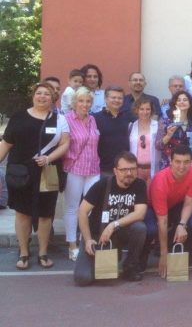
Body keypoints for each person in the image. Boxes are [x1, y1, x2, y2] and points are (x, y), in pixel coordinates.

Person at [0, 83, 70, 270]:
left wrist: (48, 158)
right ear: (33, 96)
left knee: (46, 214)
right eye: (39, 93)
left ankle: (43, 253)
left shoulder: (60, 119)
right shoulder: (18, 118)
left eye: (47, 94)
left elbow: (65, 144)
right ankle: (23, 253)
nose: (42, 96)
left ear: (52, 98)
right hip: (21, 173)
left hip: (49, 171)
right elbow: (6, 144)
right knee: (22, 213)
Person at [74, 152, 148, 285]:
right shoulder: (102, 185)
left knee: (140, 228)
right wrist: (88, 239)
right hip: (96, 235)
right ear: (115, 171)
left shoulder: (139, 185)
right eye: (124, 170)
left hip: (119, 234)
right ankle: (106, 259)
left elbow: (140, 213)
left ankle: (129, 266)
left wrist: (113, 225)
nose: (129, 173)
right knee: (83, 278)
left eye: (132, 169)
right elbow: (82, 211)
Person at [143, 145, 192, 277]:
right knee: (151, 229)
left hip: (176, 204)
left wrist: (182, 225)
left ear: (191, 162)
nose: (182, 166)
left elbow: (189, 203)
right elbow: (162, 221)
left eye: (186, 162)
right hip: (152, 206)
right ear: (171, 161)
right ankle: (144, 256)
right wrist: (163, 255)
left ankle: (180, 252)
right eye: (178, 162)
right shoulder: (160, 181)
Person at [63, 87, 101, 261]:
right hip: (75, 169)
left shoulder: (93, 119)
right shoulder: (67, 119)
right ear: (74, 102)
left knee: (90, 208)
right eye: (81, 101)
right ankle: (72, 245)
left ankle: (85, 240)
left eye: (88, 101)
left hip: (93, 169)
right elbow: (62, 143)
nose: (85, 104)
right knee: (72, 208)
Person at [93, 86, 131, 176]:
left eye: (120, 98)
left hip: (124, 168)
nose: (116, 100)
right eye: (113, 97)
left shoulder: (128, 117)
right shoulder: (95, 118)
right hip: (103, 169)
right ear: (106, 99)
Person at [156, 90, 192, 170]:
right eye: (179, 100)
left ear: (190, 104)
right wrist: (168, 136)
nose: (182, 102)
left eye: (185, 100)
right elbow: (158, 146)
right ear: (175, 103)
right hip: (168, 164)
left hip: (187, 165)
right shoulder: (165, 122)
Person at [128, 96, 160, 189]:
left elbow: (161, 145)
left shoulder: (158, 126)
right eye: (141, 109)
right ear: (136, 110)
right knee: (138, 195)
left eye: (147, 109)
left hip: (152, 169)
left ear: (151, 110)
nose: (145, 112)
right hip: (136, 170)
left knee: (151, 195)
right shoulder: (131, 126)